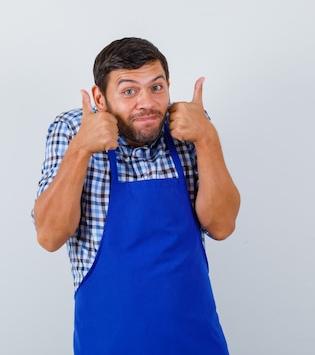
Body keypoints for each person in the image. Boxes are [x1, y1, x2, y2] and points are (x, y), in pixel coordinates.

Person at [32, 37, 240, 355]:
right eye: (129, 91)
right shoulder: (72, 130)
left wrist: (207, 138)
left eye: (156, 88)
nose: (146, 103)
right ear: (100, 98)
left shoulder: (189, 128)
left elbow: (222, 226)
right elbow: (49, 236)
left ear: (169, 86)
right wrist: (81, 149)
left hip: (197, 344)